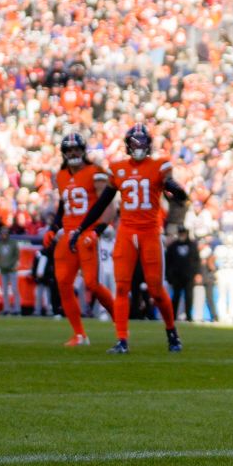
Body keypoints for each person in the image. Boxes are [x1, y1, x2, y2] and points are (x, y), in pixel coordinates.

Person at [71, 124, 189, 353]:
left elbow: (178, 195)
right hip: (126, 231)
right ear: (127, 146)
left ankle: (172, 332)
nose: (138, 148)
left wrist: (177, 190)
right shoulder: (118, 168)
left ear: (149, 145)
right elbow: (103, 202)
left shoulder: (160, 165)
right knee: (122, 287)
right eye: (134, 144)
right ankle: (122, 340)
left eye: (142, 143)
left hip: (150, 232)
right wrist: (82, 227)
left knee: (155, 289)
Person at [48, 133, 116, 346]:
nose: (73, 153)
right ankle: (79, 334)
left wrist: (97, 230)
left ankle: (119, 321)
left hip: (86, 232)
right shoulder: (60, 176)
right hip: (68, 234)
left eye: (76, 149)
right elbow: (63, 206)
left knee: (92, 284)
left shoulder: (95, 172)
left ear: (83, 150)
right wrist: (53, 227)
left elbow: (110, 205)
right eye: (69, 150)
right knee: (63, 283)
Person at [165, 227, 198, 323]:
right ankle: (173, 316)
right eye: (181, 233)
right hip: (176, 276)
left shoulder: (192, 245)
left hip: (189, 276)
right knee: (175, 296)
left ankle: (189, 315)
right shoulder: (173, 246)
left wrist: (197, 273)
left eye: (184, 233)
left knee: (189, 297)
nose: (182, 235)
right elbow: (168, 261)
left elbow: (196, 260)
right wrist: (169, 275)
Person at [0, 227, 21, 316]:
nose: (4, 235)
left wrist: (12, 264)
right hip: (3, 270)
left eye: (5, 234)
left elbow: (16, 255)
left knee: (14, 289)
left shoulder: (13, 243)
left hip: (12, 269)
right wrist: (0, 264)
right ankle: (6, 308)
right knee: (4, 290)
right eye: (2, 234)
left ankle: (17, 309)